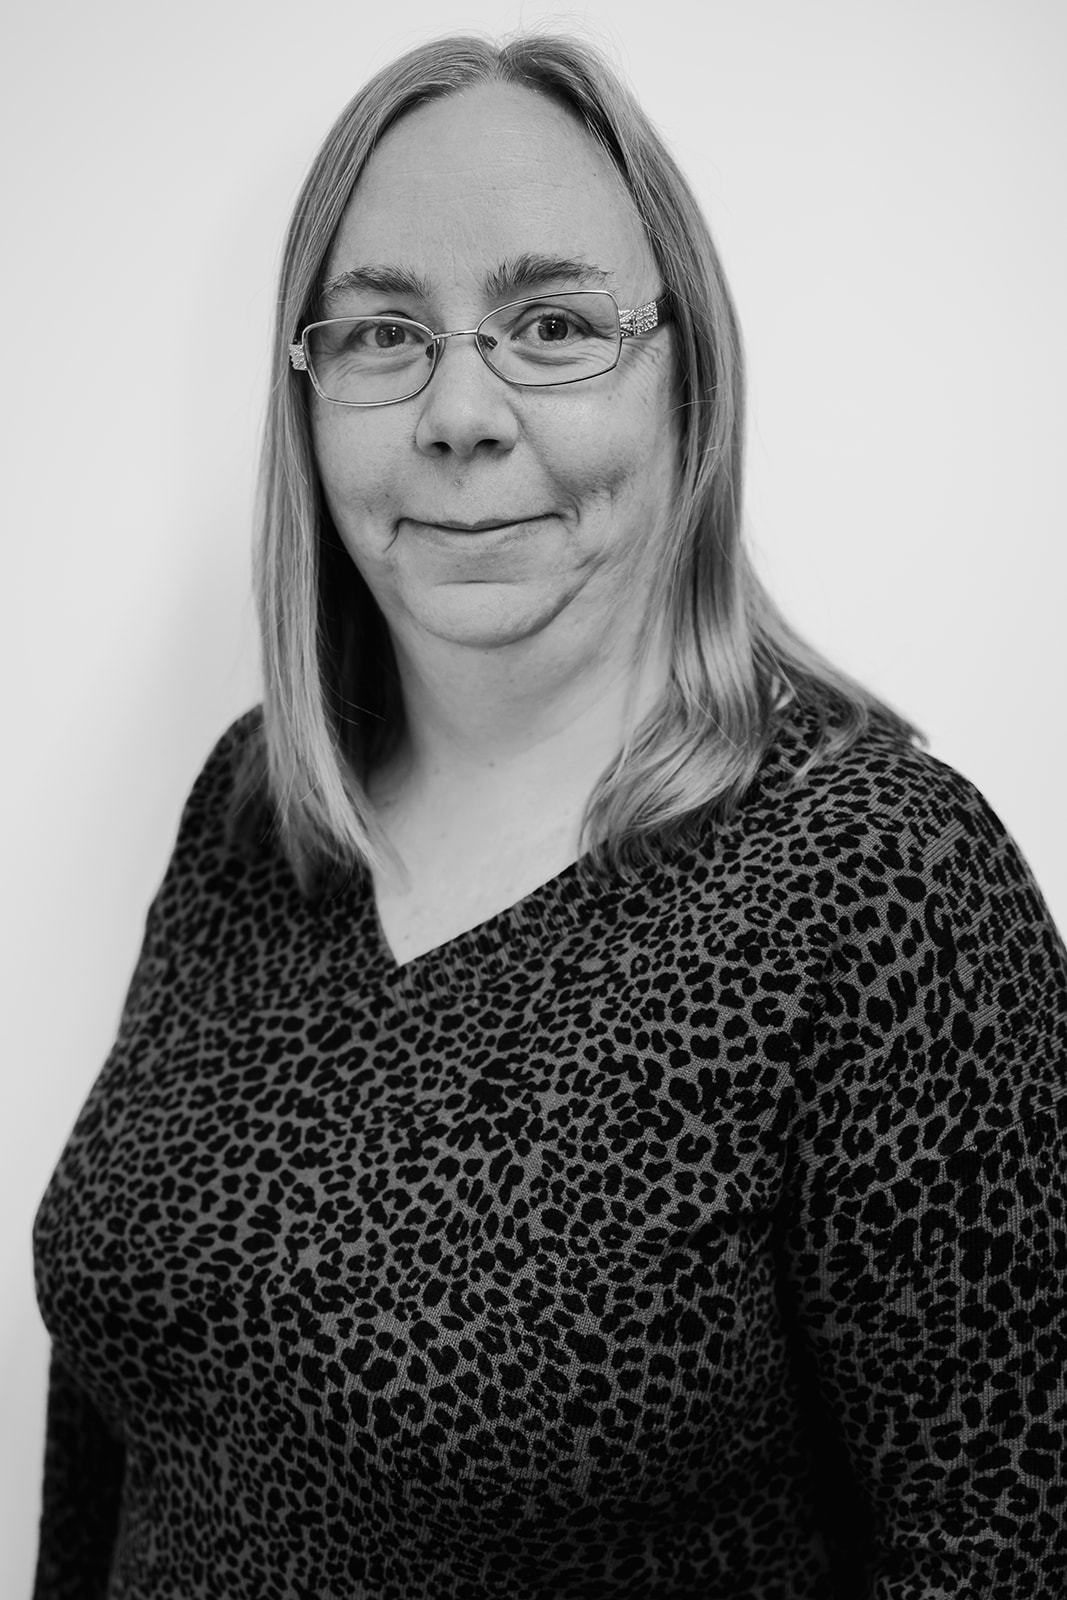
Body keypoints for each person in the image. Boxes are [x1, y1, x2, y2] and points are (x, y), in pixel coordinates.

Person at [31, 30, 1067, 1600]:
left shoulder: (879, 884)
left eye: (553, 324)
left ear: (687, 381)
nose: (461, 411)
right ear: (307, 400)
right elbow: (113, 1435)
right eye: (384, 333)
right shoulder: (257, 815)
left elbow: (1004, 1544)